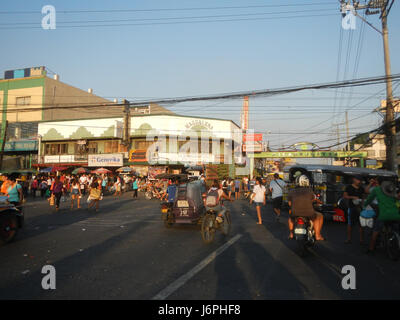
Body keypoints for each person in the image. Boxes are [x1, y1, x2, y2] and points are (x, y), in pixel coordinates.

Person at [363, 178, 400, 254]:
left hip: (383, 215)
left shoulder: (377, 189)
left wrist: (364, 205)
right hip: (396, 214)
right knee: (396, 229)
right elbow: (396, 199)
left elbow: (369, 199)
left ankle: (371, 248)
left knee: (375, 230)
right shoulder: (391, 189)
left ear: (379, 183)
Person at [287, 176, 325, 241]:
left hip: (295, 213)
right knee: (319, 216)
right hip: (309, 213)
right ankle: (317, 235)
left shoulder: (291, 191)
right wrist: (320, 202)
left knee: (290, 219)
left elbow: (289, 204)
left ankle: (291, 234)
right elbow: (314, 199)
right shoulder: (310, 191)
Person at [343, 175, 366, 244]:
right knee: (350, 224)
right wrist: (352, 197)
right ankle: (349, 239)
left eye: (360, 180)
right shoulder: (349, 187)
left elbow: (364, 196)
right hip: (351, 207)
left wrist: (362, 201)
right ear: (354, 180)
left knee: (361, 224)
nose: (360, 181)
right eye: (358, 180)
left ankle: (361, 240)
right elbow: (345, 196)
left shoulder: (361, 188)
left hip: (360, 208)